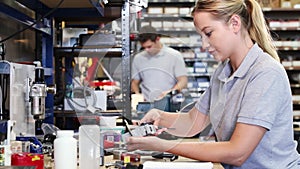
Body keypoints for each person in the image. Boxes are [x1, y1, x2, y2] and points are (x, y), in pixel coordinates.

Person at [126, 0, 300, 168]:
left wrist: (161, 145)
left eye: (208, 33)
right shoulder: (223, 71)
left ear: (234, 23)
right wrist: (159, 116)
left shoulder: (265, 73)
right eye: (201, 36)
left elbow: (237, 152)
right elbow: (194, 121)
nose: (204, 45)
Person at [131, 25, 188, 102]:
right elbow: (134, 82)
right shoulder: (138, 58)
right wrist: (137, 96)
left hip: (170, 102)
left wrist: (170, 93)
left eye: (149, 46)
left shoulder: (174, 55)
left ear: (157, 39)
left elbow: (183, 81)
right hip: (148, 103)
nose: (147, 50)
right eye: (144, 47)